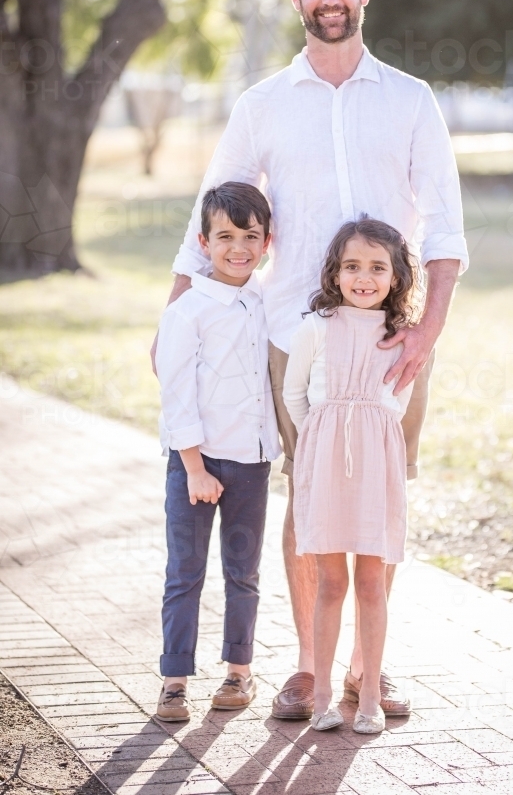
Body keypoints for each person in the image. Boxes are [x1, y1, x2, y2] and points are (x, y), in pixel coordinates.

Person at [153, 0, 468, 719]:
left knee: (382, 501)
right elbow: (213, 210)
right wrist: (173, 320)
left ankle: (369, 667)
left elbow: (446, 233)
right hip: (293, 340)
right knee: (309, 500)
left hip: (393, 348)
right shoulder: (261, 105)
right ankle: (308, 669)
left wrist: (425, 335)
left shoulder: (410, 99)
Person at [283, 218, 420, 733]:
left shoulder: (401, 338)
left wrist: (365, 436)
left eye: (377, 267)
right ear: (335, 274)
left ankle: (367, 699)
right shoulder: (315, 327)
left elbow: (396, 406)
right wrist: (319, 439)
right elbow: (295, 395)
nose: (364, 277)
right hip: (324, 465)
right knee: (330, 583)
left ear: (396, 276)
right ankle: (320, 698)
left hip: (376, 472)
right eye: (352, 266)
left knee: (371, 583)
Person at [154, 182, 280, 723]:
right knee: (185, 572)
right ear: (204, 243)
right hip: (195, 465)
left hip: (251, 463)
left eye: (250, 236)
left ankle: (239, 672)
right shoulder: (189, 310)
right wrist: (194, 469)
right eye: (225, 235)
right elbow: (176, 392)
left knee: (243, 573)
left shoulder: (265, 301)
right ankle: (175, 680)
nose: (239, 247)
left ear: (267, 242)